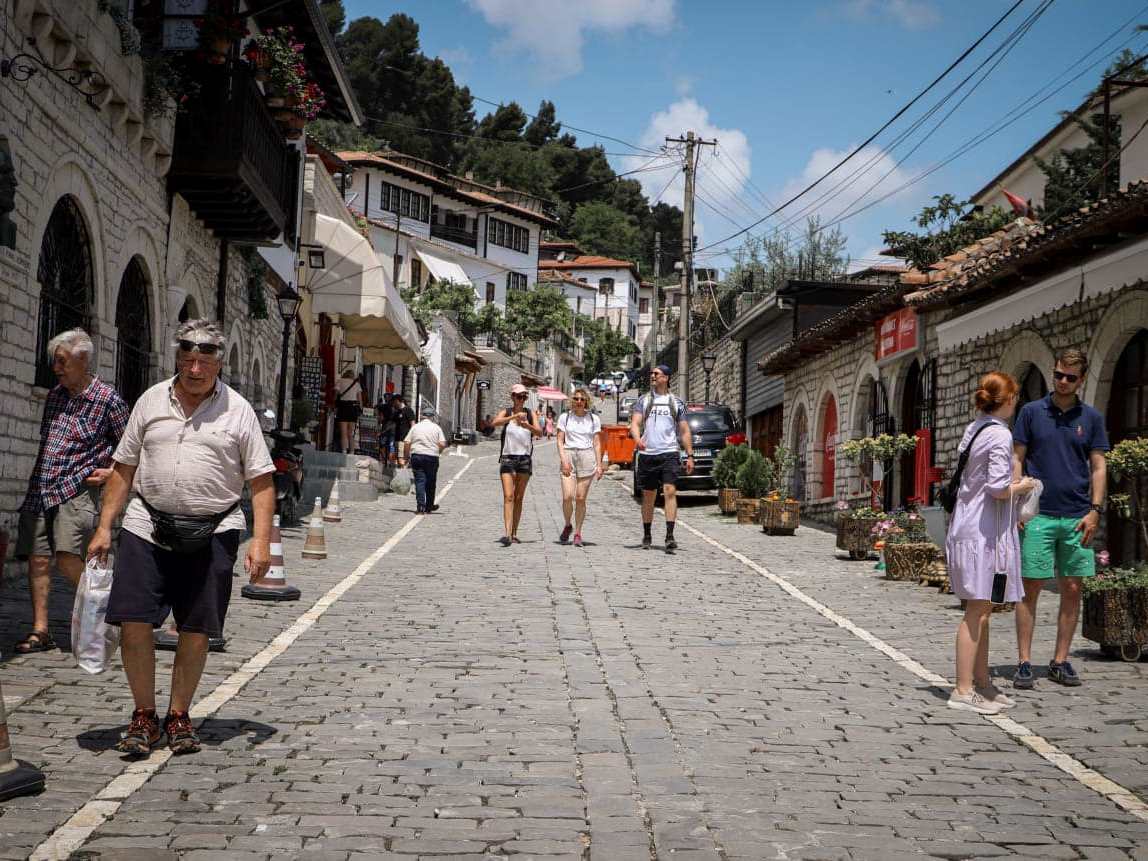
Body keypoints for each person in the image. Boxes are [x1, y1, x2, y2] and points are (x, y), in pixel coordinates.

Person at [88, 320, 275, 756]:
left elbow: (262, 481)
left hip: (214, 529)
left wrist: (261, 541)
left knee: (196, 628)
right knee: (134, 621)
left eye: (204, 361)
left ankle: (178, 715)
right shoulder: (151, 401)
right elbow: (123, 468)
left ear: (218, 363)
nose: (195, 370)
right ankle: (143, 715)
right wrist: (103, 526)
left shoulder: (238, 410)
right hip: (145, 524)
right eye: (187, 360)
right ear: (177, 359)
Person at [13, 328, 129, 653]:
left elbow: (131, 449)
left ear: (83, 360)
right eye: (55, 362)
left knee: (67, 557)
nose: (57, 368)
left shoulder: (108, 400)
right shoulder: (54, 396)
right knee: (37, 559)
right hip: (41, 486)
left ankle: (105, 616)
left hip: (76, 489)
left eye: (62, 362)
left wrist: (110, 472)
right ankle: (41, 630)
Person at [1012, 348, 1109, 689]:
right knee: (1031, 587)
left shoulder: (1092, 418)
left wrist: (1095, 510)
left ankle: (1060, 661)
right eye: (1058, 375)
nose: (1062, 382)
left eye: (1070, 377)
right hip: (1037, 515)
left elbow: (1098, 466)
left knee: (1071, 587)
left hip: (1077, 516)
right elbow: (1017, 459)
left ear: (1081, 380)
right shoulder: (1031, 412)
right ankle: (1024, 662)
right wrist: (1017, 506)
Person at [945, 372, 1037, 715]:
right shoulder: (998, 434)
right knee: (977, 611)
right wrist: (1025, 486)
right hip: (982, 532)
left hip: (972, 527)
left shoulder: (977, 427)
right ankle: (963, 688)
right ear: (1009, 399)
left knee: (982, 610)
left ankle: (981, 683)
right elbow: (998, 489)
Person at [629, 364, 693, 553]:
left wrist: (689, 455)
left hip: (670, 453)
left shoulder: (676, 403)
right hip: (648, 454)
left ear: (666, 377)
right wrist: (636, 438)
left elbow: (684, 430)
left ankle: (670, 535)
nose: (652, 376)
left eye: (656, 374)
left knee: (670, 491)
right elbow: (635, 423)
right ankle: (647, 534)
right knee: (648, 495)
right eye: (652, 374)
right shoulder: (644, 400)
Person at [492, 383, 543, 547]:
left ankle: (514, 532)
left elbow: (539, 432)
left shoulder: (530, 413)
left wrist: (526, 424)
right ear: (513, 397)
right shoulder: (506, 412)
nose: (521, 399)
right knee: (508, 496)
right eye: (518, 396)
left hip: (524, 459)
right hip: (507, 458)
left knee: (519, 497)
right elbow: (495, 423)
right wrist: (513, 418)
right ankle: (507, 533)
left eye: (524, 397)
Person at [556, 388, 603, 547]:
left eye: (582, 399)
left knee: (580, 498)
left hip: (587, 456)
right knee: (567, 496)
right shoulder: (565, 417)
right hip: (569, 454)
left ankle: (577, 533)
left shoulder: (593, 419)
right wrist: (564, 460)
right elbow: (560, 441)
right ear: (572, 400)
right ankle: (568, 524)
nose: (579, 402)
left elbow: (596, 443)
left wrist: (599, 465)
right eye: (576, 399)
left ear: (587, 401)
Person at [399, 406, 447, 514]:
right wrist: (437, 451)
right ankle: (429, 506)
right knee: (430, 482)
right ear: (432, 417)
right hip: (432, 457)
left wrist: (406, 457)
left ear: (422, 416)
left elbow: (407, 443)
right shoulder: (436, 428)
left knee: (419, 481)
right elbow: (443, 443)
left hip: (417, 456)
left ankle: (420, 506)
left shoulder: (415, 427)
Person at [334, 368, 363, 453]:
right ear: (352, 376)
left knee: (343, 432)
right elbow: (360, 400)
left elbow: (335, 395)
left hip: (343, 407)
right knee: (351, 433)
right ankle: (352, 452)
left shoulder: (340, 381)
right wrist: (360, 410)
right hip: (353, 408)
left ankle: (343, 451)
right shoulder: (357, 384)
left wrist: (335, 405)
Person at [376, 393, 396, 464]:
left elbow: (380, 417)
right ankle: (389, 461)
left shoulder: (383, 406)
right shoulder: (394, 407)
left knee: (383, 444)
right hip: (392, 429)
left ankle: (385, 460)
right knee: (390, 446)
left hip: (386, 429)